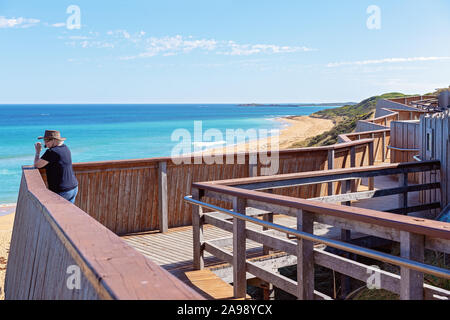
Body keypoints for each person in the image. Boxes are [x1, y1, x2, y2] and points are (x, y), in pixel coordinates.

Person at [34, 130, 79, 204]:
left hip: (62, 191)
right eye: (44, 140)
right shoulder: (66, 148)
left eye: (47, 140)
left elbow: (37, 165)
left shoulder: (52, 152)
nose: (45, 143)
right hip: (73, 188)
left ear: (54, 140)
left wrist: (37, 152)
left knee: (57, 214)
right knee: (67, 214)